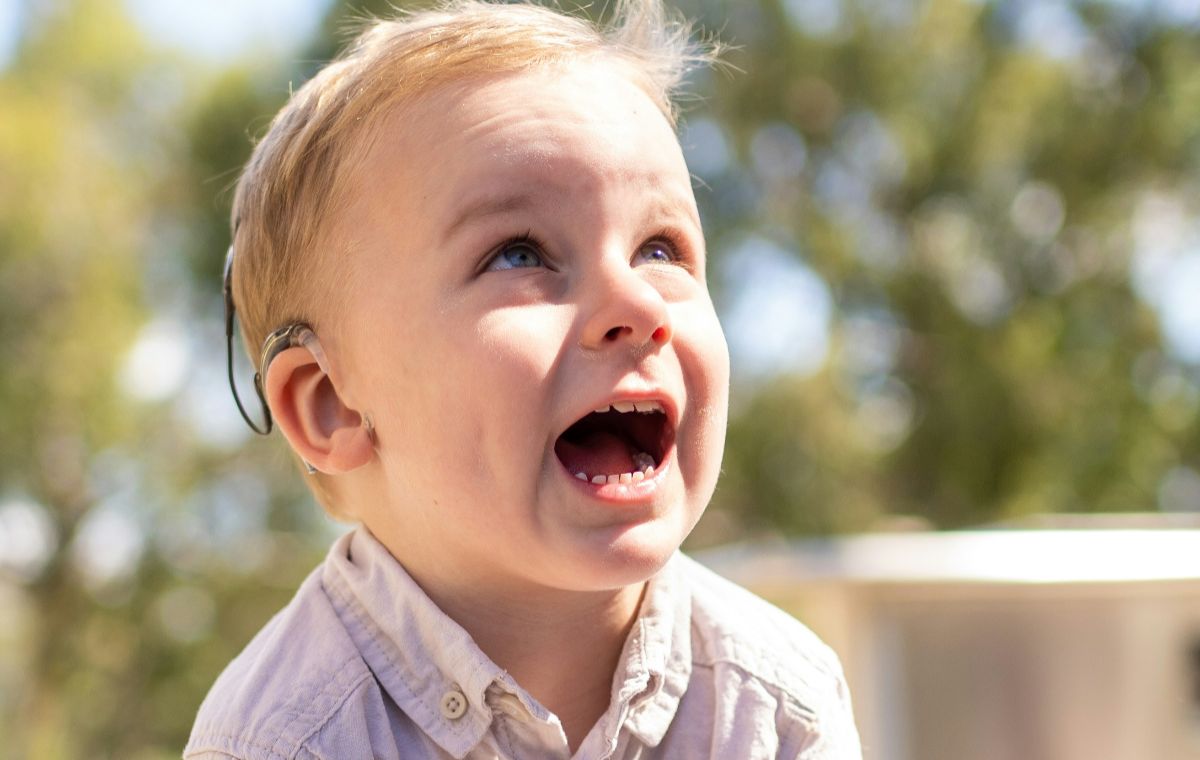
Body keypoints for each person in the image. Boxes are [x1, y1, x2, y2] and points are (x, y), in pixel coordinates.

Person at [186, 1, 862, 757]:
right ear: (332, 403)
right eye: (519, 253)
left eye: (661, 250)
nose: (638, 305)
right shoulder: (287, 738)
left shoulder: (774, 707)